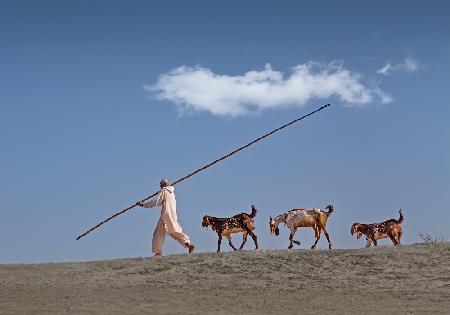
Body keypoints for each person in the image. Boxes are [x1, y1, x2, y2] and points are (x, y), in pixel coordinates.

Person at [137, 178, 195, 256]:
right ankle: (188, 245)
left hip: (165, 216)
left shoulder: (164, 191)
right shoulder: (171, 193)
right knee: (175, 232)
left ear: (164, 184)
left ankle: (158, 253)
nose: (160, 186)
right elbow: (163, 202)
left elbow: (155, 202)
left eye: (161, 184)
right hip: (172, 216)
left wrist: (143, 204)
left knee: (158, 234)